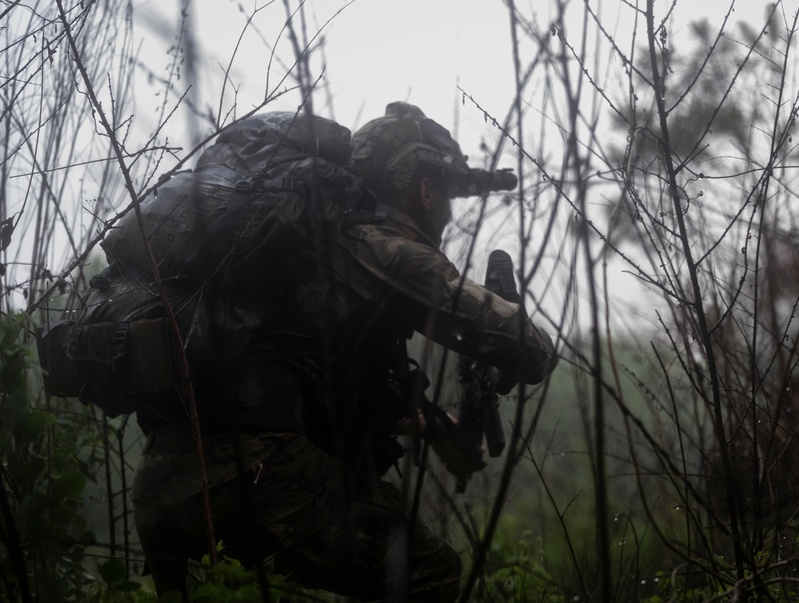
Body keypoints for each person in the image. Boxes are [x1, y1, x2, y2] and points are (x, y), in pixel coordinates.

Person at [131, 102, 557, 601]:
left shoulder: (308, 247)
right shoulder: (382, 250)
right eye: (445, 194)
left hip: (164, 487)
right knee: (431, 574)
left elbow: (307, 384)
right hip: (254, 482)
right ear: (425, 191)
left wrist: (435, 428)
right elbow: (530, 351)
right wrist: (512, 319)